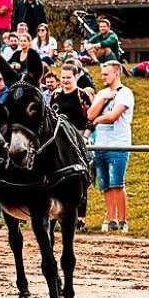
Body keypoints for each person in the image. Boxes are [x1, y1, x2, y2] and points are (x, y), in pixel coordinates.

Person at [87, 60, 133, 232]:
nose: (103, 77)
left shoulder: (125, 93)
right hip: (101, 145)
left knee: (117, 183)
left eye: (106, 73)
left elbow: (113, 116)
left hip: (118, 144)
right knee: (105, 184)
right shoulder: (102, 93)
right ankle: (111, 218)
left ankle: (123, 220)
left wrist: (99, 119)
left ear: (116, 73)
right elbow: (90, 115)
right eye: (102, 73)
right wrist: (103, 99)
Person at [52, 65, 93, 231]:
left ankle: (80, 216)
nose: (65, 80)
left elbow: (90, 118)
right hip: (59, 139)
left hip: (77, 138)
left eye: (68, 77)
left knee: (80, 175)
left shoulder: (82, 95)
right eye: (63, 77)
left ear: (75, 77)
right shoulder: (55, 95)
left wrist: (84, 137)